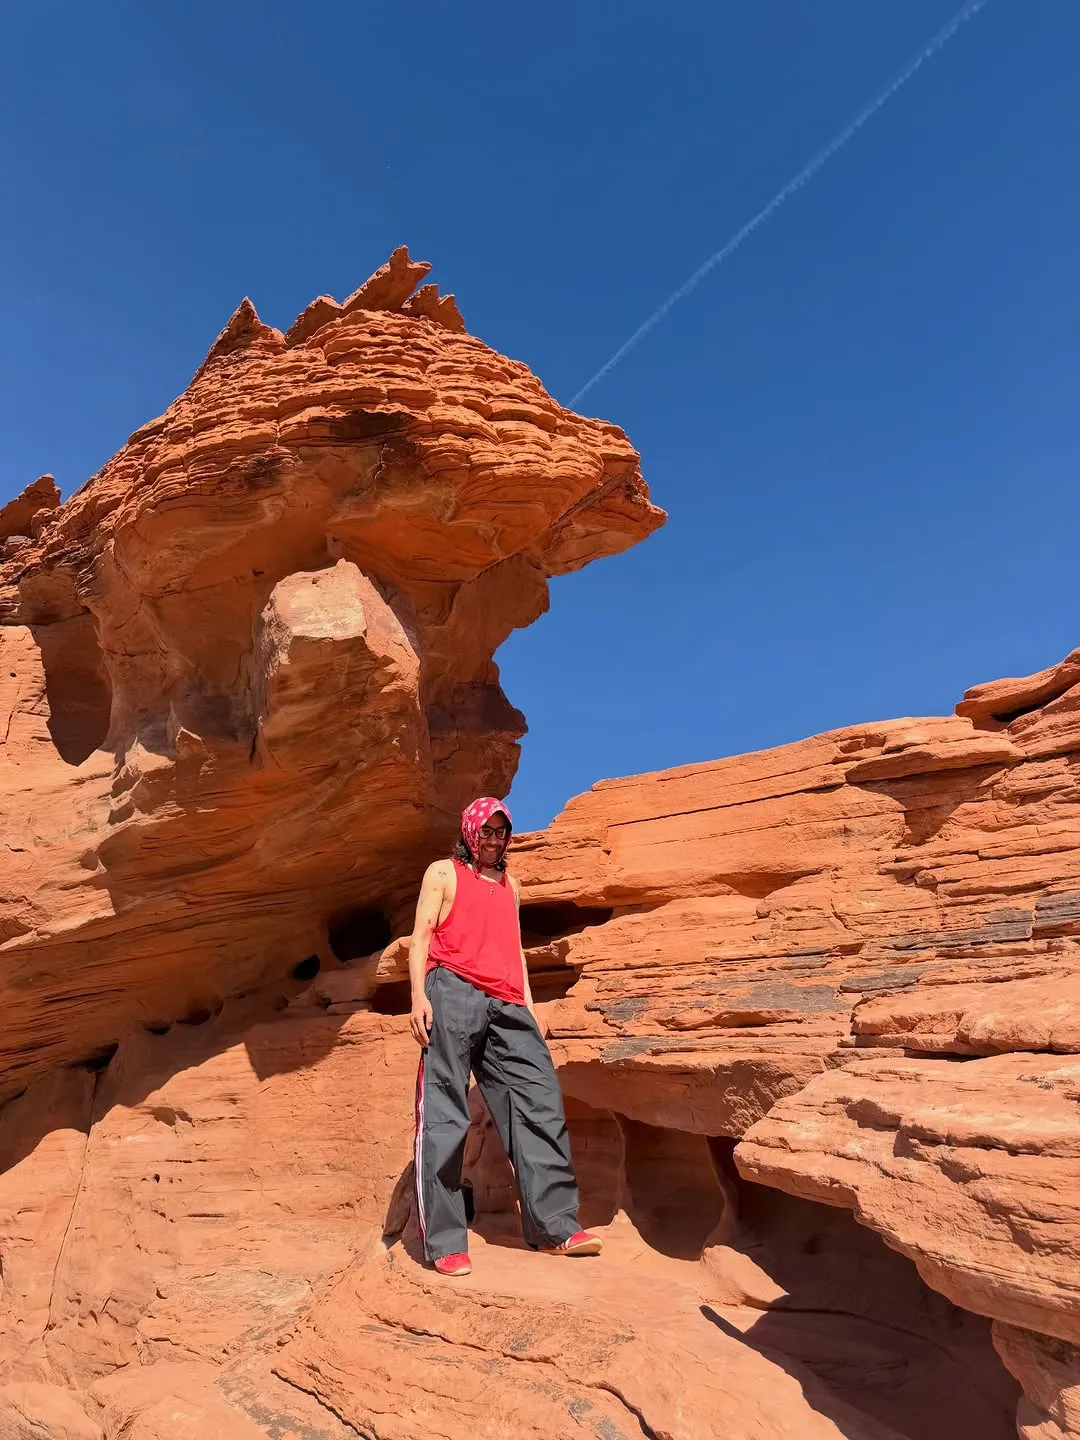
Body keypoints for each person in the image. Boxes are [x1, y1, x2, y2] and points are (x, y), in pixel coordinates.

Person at [408, 796, 602, 1277]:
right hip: (452, 989)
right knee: (445, 1111)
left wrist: (529, 1010)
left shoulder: (511, 886)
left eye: (501, 832)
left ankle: (554, 1227)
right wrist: (418, 996)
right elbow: (422, 936)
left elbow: (514, 950)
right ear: (470, 831)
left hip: (508, 1001)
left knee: (539, 1101)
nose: (494, 840)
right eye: (487, 831)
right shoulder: (444, 873)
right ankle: (445, 1243)